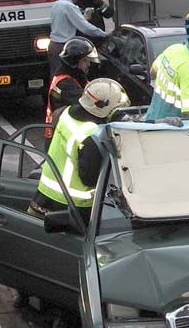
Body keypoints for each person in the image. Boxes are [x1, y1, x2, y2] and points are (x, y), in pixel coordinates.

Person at [29, 78, 130, 222]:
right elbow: (90, 178)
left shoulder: (64, 113)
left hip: (44, 195)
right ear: (103, 108)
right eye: (115, 108)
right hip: (76, 205)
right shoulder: (90, 136)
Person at [44, 38, 101, 140]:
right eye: (85, 61)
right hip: (61, 135)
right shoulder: (65, 84)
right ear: (75, 61)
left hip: (65, 130)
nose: (88, 64)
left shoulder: (74, 76)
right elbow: (87, 103)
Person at [49, 0, 108, 73]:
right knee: (65, 75)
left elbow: (65, 22)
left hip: (53, 44)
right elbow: (85, 28)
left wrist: (83, 18)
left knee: (55, 74)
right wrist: (104, 34)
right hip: (63, 46)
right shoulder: (70, 7)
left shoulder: (57, 4)